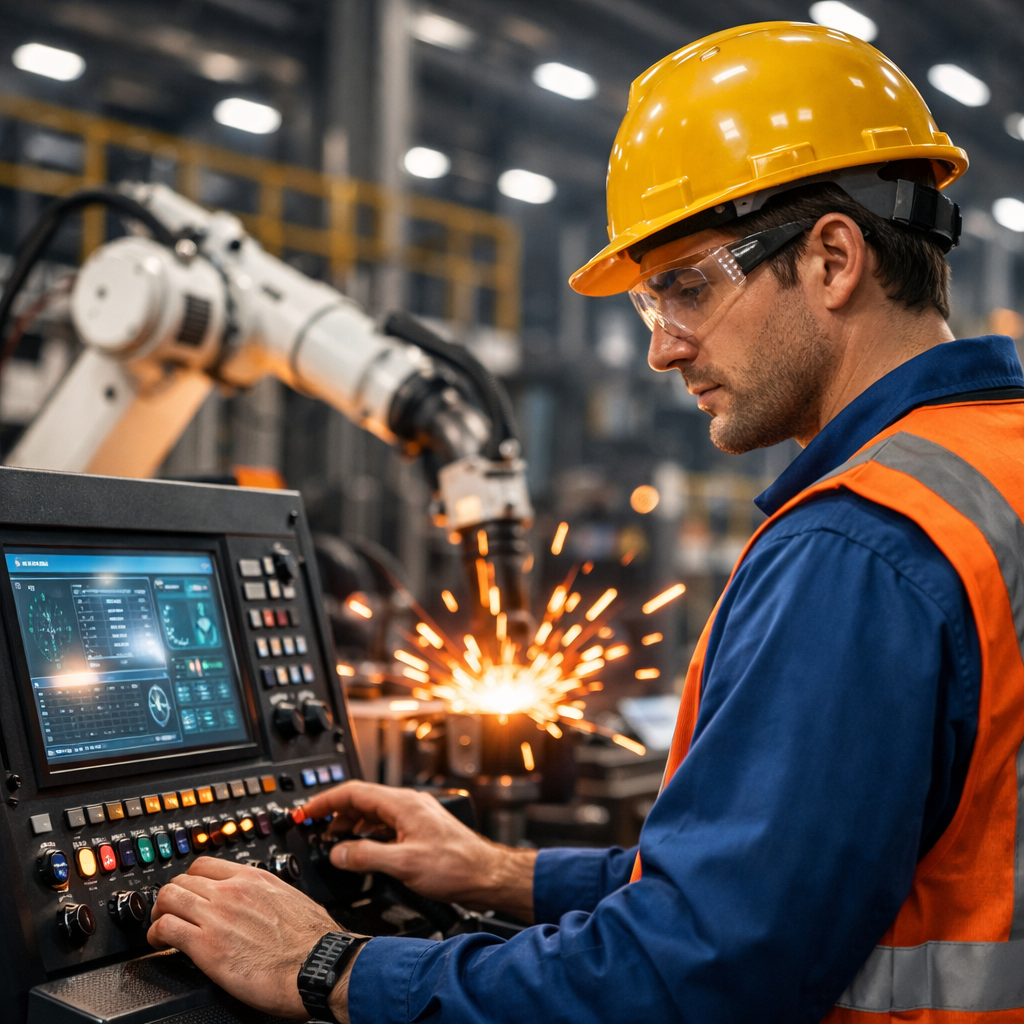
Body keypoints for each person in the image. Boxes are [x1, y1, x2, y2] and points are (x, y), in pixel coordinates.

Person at [147, 22, 1024, 1023]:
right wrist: (496, 870)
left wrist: (330, 967)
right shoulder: (990, 469)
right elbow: (772, 880)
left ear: (831, 258)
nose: (665, 350)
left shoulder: (859, 545)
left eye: (685, 288)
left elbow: (693, 970)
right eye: (652, 309)